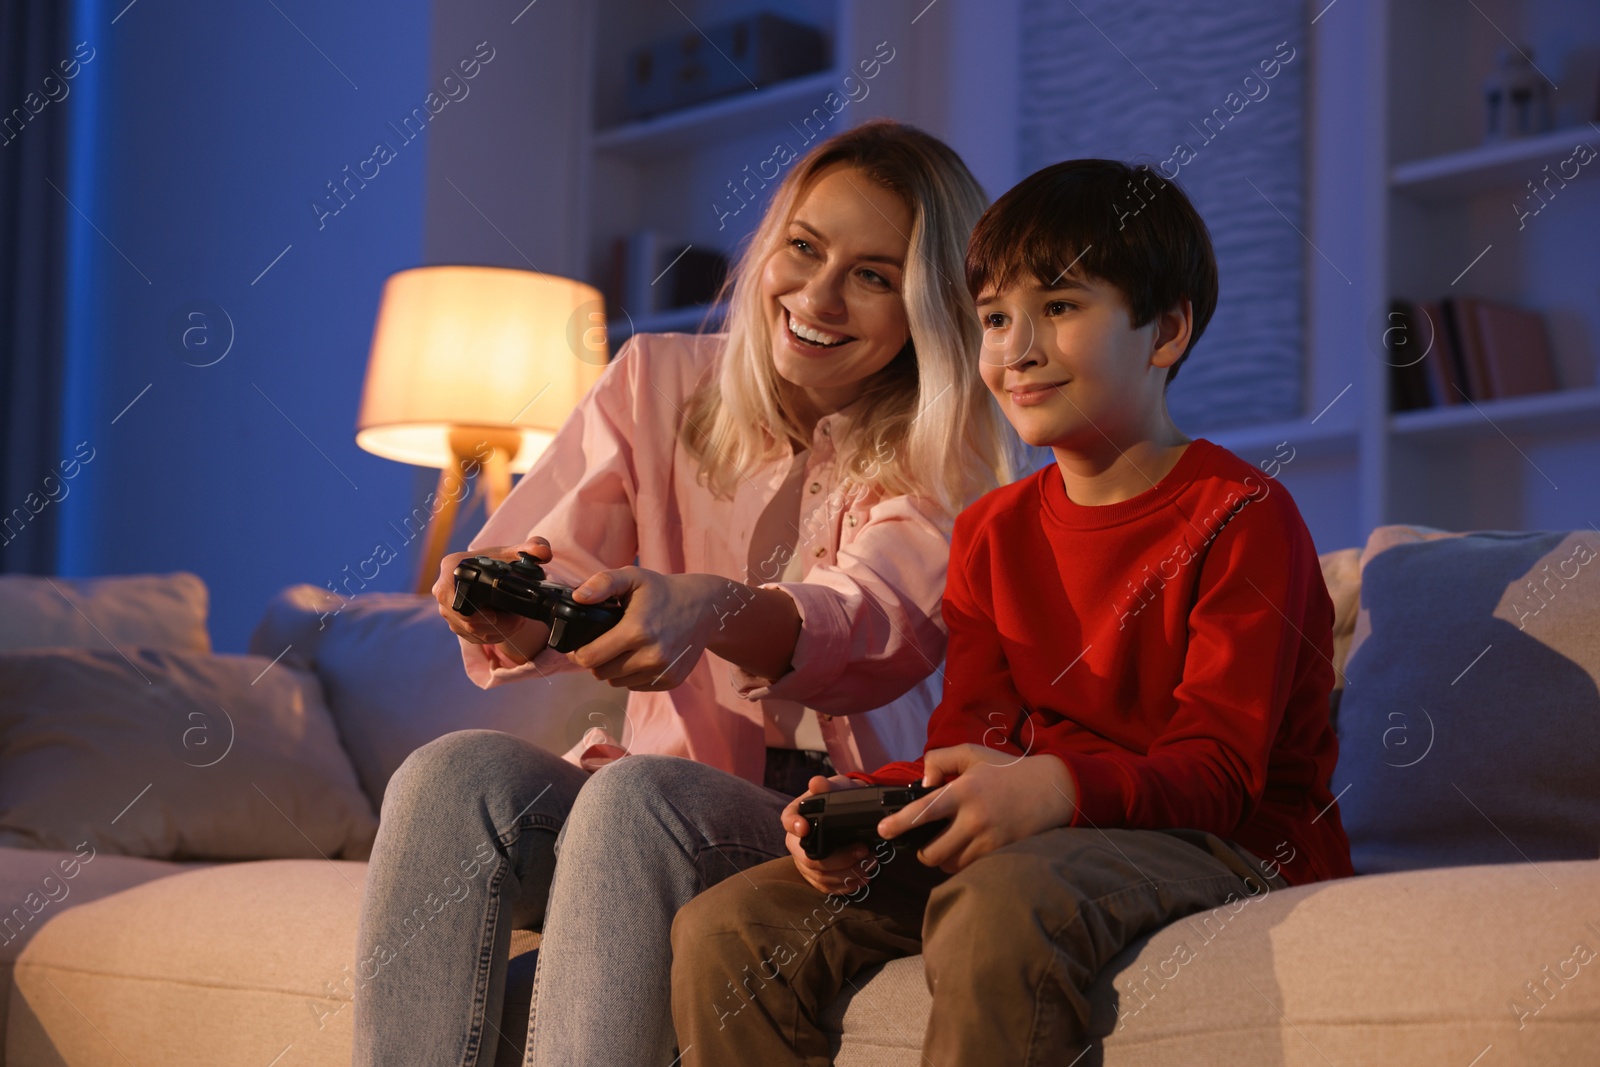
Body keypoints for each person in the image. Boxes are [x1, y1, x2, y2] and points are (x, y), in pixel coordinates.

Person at [350, 120, 1031, 1067]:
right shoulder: (654, 381)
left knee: (642, 798)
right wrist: (505, 604)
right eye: (804, 248)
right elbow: (548, 558)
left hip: (830, 825)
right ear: (769, 247)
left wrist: (708, 606)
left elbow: (871, 628)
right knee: (451, 775)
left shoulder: (950, 450)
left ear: (926, 307)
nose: (819, 296)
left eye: (875, 276)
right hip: (637, 812)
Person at [669, 159, 1357, 1065]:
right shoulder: (994, 528)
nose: (1015, 349)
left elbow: (1220, 773)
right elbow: (975, 739)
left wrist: (1059, 787)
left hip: (1225, 845)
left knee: (999, 900)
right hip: (1054, 836)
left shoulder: (1242, 515)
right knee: (730, 923)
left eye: (1060, 308)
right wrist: (873, 808)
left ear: (1168, 329)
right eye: (994, 318)